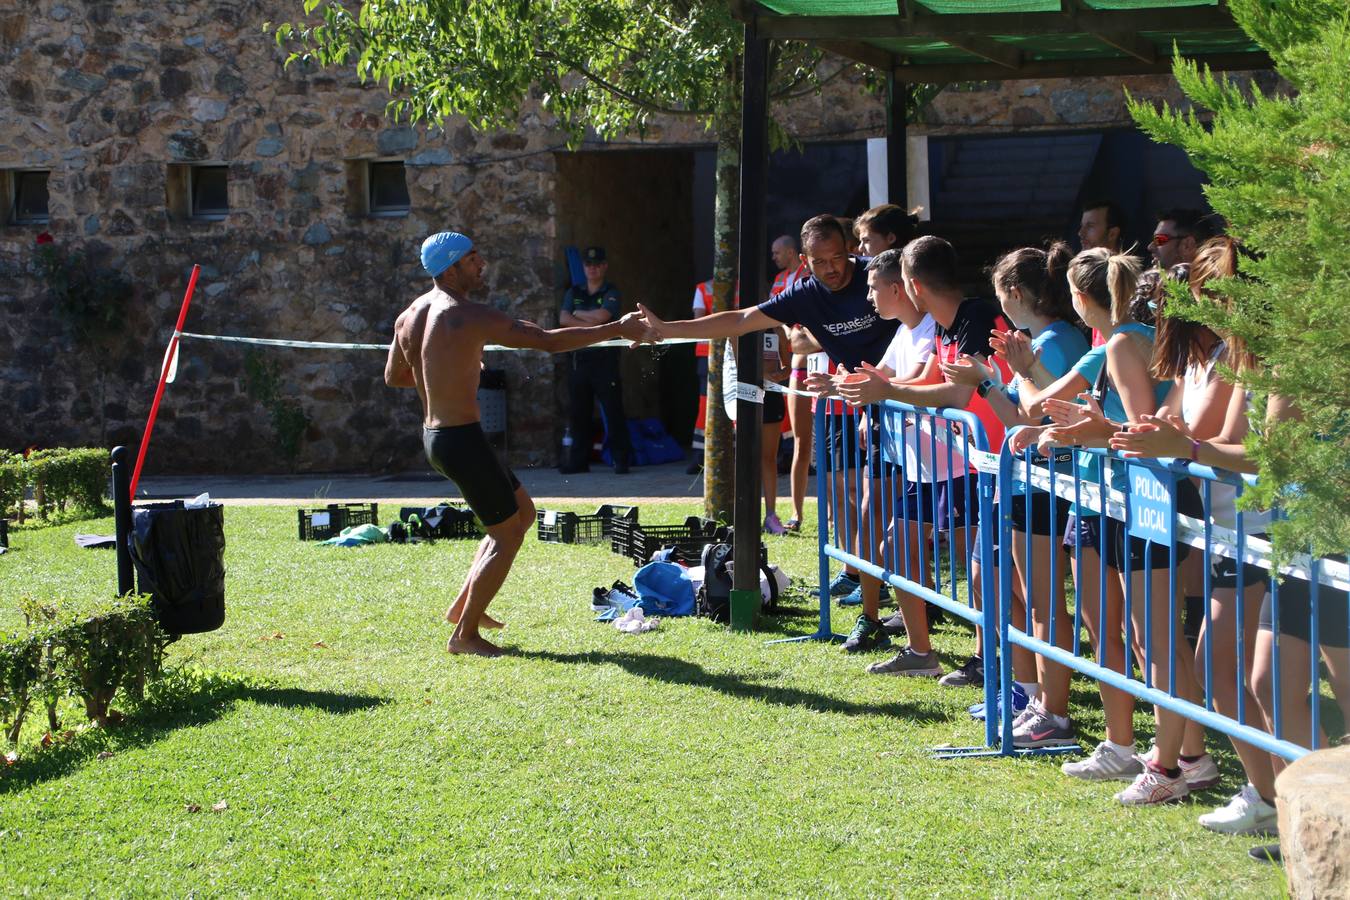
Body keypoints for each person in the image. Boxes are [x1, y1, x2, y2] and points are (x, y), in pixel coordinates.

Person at [1112, 238, 1349, 843]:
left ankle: (1308, 815)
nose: (1208, 313)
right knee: (1264, 680)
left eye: (1218, 297)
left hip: (1313, 535)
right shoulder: (1251, 355)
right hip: (1297, 538)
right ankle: (1309, 823)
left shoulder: (1291, 353)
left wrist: (1184, 448)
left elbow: (1264, 456)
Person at [635, 214, 899, 647]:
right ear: (805, 261)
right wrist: (669, 329)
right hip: (870, 409)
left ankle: (917, 608)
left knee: (909, 517)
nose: (833, 269)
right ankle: (874, 616)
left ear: (850, 248)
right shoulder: (805, 294)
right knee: (873, 515)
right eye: (821, 262)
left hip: (910, 404)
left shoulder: (877, 278)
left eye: (838, 258)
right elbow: (738, 320)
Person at [385, 232, 652, 657]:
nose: (482, 263)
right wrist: (616, 328)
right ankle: (465, 636)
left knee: (521, 514)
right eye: (473, 259)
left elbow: (396, 377)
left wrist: (453, 366)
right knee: (507, 534)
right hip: (460, 440)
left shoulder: (411, 314)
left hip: (439, 437)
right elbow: (547, 340)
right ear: (451, 268)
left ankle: (462, 608)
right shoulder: (466, 314)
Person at [1031, 248, 1215, 795]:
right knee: (1156, 638)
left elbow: (1143, 434)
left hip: (1145, 497)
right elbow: (1159, 426)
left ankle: (1168, 765)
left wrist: (1094, 431)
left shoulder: (1123, 343)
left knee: (1154, 639)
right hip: (1145, 498)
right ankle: (1186, 758)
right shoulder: (1152, 344)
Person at [836, 236, 1015, 673]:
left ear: (911, 285)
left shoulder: (974, 316)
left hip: (987, 465)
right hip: (965, 461)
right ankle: (922, 653)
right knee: (898, 545)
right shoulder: (946, 325)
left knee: (983, 571)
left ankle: (990, 658)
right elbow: (921, 381)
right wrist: (869, 388)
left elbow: (954, 393)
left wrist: (885, 390)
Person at [938, 243, 1089, 696]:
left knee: (1042, 603)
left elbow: (1025, 417)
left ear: (1014, 291)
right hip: (1024, 481)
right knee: (1011, 592)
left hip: (1046, 484)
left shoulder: (1057, 343)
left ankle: (1047, 703)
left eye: (998, 293)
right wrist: (986, 377)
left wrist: (983, 381)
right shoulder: (1038, 342)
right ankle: (1027, 692)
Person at [559, 246, 632, 474]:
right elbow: (563, 319)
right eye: (589, 265)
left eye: (597, 264)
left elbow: (604, 317)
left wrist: (578, 316)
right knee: (579, 412)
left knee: (612, 410)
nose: (592, 269)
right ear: (584, 267)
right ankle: (578, 461)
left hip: (604, 361)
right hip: (579, 359)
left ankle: (621, 460)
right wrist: (591, 324)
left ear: (604, 266)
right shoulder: (575, 291)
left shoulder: (611, 291)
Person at [688, 277, 739, 475]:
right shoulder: (703, 288)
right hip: (711, 354)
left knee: (722, 403)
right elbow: (698, 320)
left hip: (722, 353)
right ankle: (701, 456)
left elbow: (699, 319)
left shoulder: (704, 288)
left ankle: (707, 456)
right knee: (708, 405)